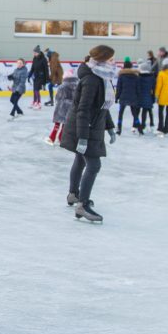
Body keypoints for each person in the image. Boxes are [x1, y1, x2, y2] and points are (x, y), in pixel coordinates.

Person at [60, 45, 115, 223]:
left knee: (80, 159)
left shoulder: (102, 77)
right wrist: (82, 137)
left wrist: (110, 127)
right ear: (102, 59)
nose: (114, 62)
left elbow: (102, 107)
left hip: (91, 125)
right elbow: (83, 109)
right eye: (111, 59)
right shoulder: (92, 79)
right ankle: (82, 205)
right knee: (93, 165)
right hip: (85, 126)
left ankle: (73, 194)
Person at [46, 68, 77, 145]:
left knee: (57, 124)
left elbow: (57, 97)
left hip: (62, 107)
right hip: (71, 107)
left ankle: (52, 138)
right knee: (64, 124)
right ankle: (61, 138)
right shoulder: (77, 86)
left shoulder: (62, 86)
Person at [115, 57, 140, 136]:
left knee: (121, 113)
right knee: (135, 114)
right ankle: (139, 129)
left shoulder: (121, 76)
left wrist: (117, 97)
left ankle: (119, 129)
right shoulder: (136, 76)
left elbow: (119, 88)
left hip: (123, 96)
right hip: (133, 97)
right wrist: (138, 97)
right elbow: (138, 88)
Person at [137, 59, 157, 134]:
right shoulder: (152, 78)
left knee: (141, 112)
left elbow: (137, 88)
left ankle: (142, 125)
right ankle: (150, 123)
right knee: (148, 110)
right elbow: (154, 88)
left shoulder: (139, 78)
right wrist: (153, 98)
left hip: (141, 97)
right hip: (149, 96)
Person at [29, 45, 49, 110]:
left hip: (41, 77)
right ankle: (35, 102)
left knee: (37, 90)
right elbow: (32, 68)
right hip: (35, 76)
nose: (34, 54)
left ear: (38, 52)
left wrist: (47, 79)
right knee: (34, 90)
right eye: (33, 53)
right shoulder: (34, 58)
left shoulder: (43, 59)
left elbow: (46, 69)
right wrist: (29, 75)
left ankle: (39, 103)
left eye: (35, 53)